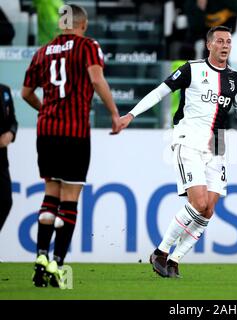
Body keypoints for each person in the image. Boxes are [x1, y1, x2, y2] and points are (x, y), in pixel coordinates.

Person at [119, 26, 237, 278]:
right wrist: (131, 114)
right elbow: (160, 91)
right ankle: (161, 252)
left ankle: (174, 260)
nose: (225, 45)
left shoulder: (236, 79)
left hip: (218, 144)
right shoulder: (191, 69)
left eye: (228, 41)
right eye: (219, 41)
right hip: (189, 140)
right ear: (209, 45)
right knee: (199, 203)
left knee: (208, 210)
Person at [22, 4, 121, 288]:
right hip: (74, 132)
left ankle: (40, 257)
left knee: (50, 194)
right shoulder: (87, 46)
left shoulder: (42, 52)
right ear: (83, 24)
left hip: (46, 132)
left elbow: (26, 92)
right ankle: (57, 264)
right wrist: (114, 112)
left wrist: (44, 110)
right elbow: (95, 77)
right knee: (70, 198)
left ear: (61, 23)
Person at [0, 83, 18, 232]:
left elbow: (13, 120)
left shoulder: (4, 90)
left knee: (5, 201)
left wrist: (11, 133)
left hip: (1, 159)